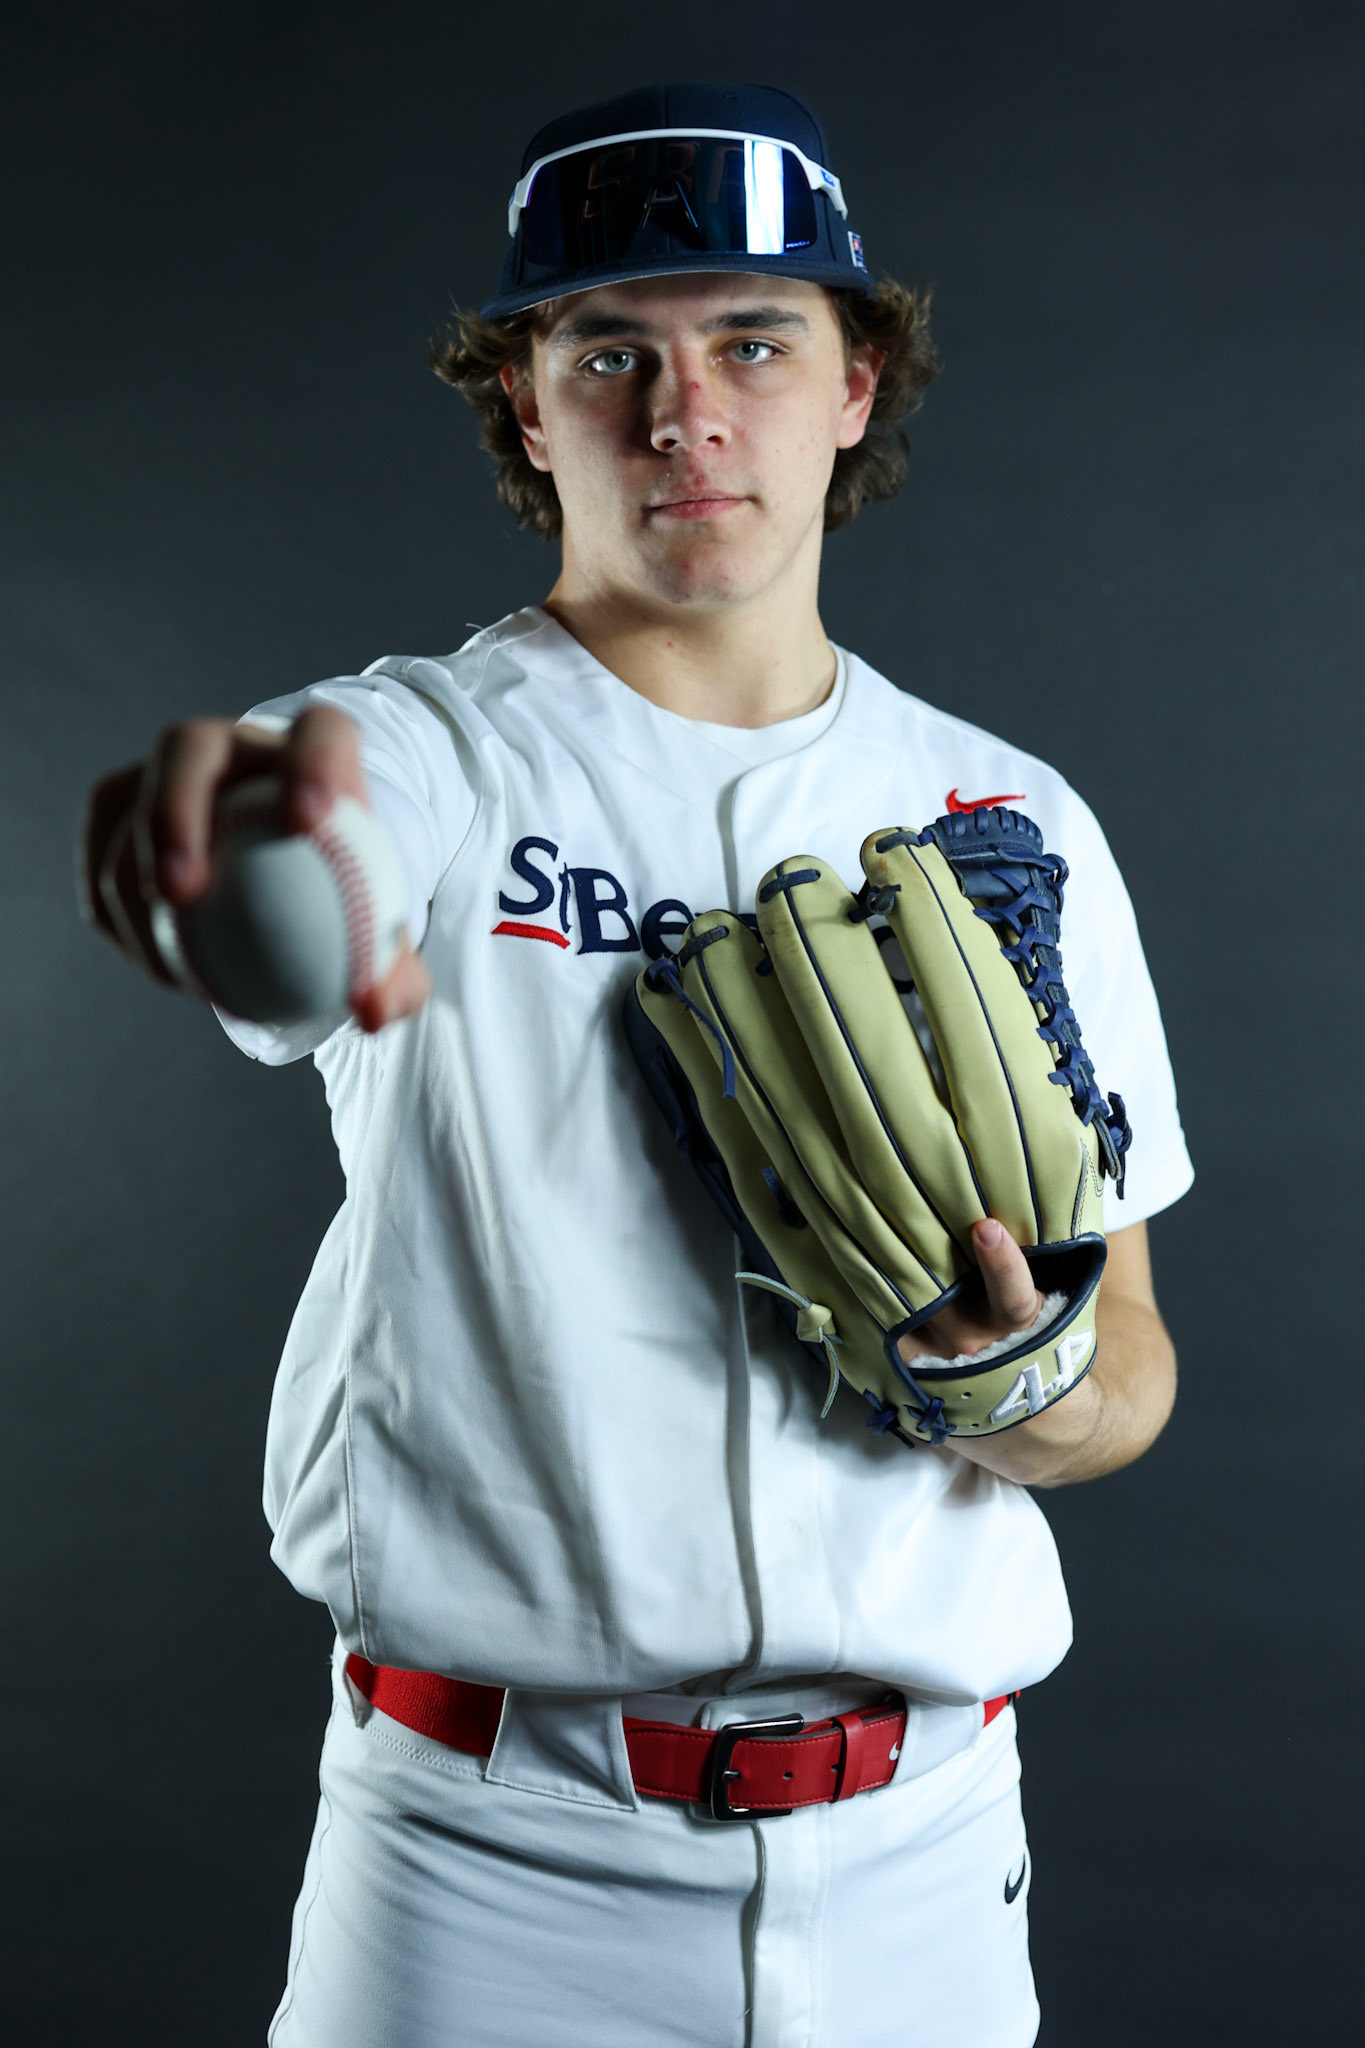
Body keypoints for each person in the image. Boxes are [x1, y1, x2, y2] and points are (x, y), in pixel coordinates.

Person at [80, 81, 1193, 2048]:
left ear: (854, 384)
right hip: (488, 1872)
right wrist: (246, 849)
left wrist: (1008, 1376)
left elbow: (1127, 1378)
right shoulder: (423, 747)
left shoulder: (1008, 817)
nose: (684, 408)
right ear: (529, 407)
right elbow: (295, 885)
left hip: (920, 1860)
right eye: (611, 350)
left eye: (751, 340)